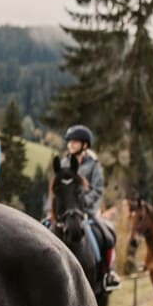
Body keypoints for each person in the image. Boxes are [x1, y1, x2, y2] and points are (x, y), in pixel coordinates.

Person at [62, 124, 121, 290]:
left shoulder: (94, 165)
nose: (70, 145)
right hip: (66, 212)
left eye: (74, 142)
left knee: (108, 237)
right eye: (69, 142)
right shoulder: (64, 163)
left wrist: (83, 204)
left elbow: (97, 190)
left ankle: (108, 273)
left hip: (88, 211)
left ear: (85, 145)